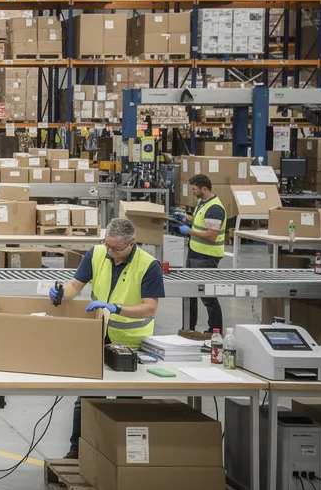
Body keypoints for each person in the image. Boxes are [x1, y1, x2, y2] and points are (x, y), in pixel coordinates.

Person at [51, 217, 164, 459]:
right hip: (100, 334)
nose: (110, 252)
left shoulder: (149, 265)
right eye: (107, 245)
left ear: (131, 244)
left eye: (116, 248)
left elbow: (150, 308)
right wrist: (62, 294)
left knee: (127, 402)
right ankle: (78, 452)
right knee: (88, 397)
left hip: (132, 341)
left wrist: (117, 308)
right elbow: (76, 284)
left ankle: (124, 456)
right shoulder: (97, 254)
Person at [173, 174, 225, 338]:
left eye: (194, 189)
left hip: (207, 257)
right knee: (189, 292)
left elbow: (211, 235)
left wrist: (188, 231)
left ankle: (215, 331)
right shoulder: (203, 203)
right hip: (195, 253)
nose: (193, 192)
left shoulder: (215, 208)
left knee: (207, 296)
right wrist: (185, 218)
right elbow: (200, 221)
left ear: (204, 188)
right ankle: (188, 327)